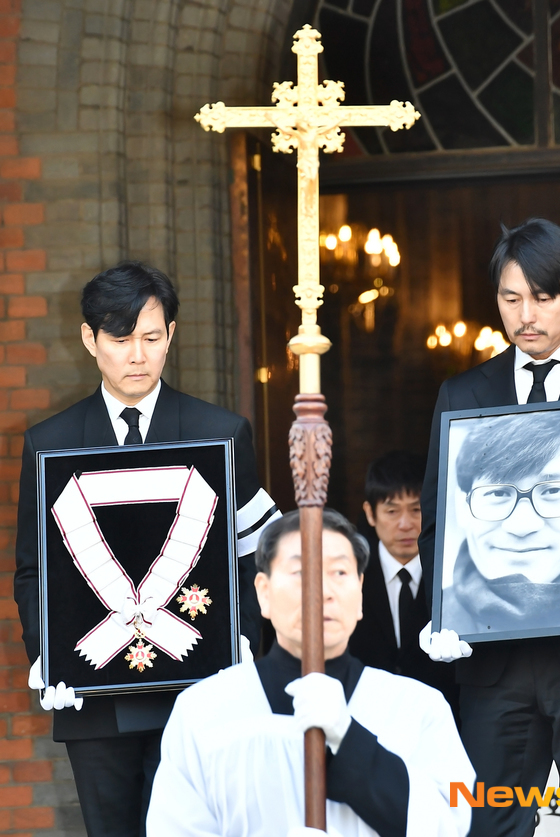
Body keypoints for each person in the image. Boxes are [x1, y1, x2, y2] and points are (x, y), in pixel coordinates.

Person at [13, 262, 280, 837]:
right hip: (93, 695)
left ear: (171, 336)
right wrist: (47, 656)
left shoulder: (222, 434)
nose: (138, 356)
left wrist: (244, 637)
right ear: (90, 340)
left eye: (152, 338)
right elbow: (33, 570)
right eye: (120, 339)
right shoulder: (50, 443)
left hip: (198, 689)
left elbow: (255, 556)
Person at [419, 218, 560, 837]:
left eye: (543, 298)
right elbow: (440, 524)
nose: (526, 316)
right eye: (511, 298)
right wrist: (443, 610)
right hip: (494, 662)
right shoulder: (462, 394)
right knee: (490, 823)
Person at [147, 509, 475, 837]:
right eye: (301, 572)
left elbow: (451, 824)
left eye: (339, 572)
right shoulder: (205, 711)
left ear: (360, 591)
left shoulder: (417, 708)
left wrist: (352, 742)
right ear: (263, 592)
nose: (322, 590)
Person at [442, 409, 560, 635]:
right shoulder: (430, 618)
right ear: (462, 506)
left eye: (552, 490)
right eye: (497, 493)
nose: (521, 526)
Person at [348, 451, 458, 712]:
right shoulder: (348, 575)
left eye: (416, 509)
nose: (405, 524)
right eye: (392, 511)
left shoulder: (455, 576)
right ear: (370, 514)